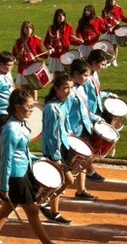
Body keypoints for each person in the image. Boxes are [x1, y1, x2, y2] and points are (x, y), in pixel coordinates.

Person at [0, 89, 55, 244]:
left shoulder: (22, 124)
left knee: (8, 208)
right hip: (16, 176)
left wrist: (40, 159)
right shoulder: (10, 129)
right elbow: (6, 159)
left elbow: (24, 151)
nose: (32, 110)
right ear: (17, 107)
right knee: (33, 211)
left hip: (23, 172)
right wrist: (4, 186)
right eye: (29, 107)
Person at [39, 74, 74, 224]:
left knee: (59, 182)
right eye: (65, 88)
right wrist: (56, 156)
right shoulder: (52, 108)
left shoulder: (61, 104)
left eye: (70, 88)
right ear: (56, 89)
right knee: (67, 181)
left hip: (61, 148)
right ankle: (41, 200)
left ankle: (53, 211)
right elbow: (51, 135)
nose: (68, 91)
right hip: (54, 151)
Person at [66, 59, 102, 201]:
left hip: (83, 129)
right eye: (85, 75)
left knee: (81, 161)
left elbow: (84, 109)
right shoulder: (69, 91)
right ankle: (51, 192)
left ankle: (81, 190)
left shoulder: (80, 88)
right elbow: (65, 114)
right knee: (68, 165)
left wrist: (95, 119)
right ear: (76, 74)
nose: (87, 78)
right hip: (73, 132)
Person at [84, 49, 116, 181]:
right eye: (101, 64)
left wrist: (107, 94)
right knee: (88, 145)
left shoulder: (94, 74)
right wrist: (96, 117)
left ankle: (87, 170)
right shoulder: (85, 79)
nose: (103, 67)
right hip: (88, 115)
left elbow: (96, 93)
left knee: (91, 145)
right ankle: (89, 171)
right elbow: (83, 101)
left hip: (96, 111)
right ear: (93, 63)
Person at [11, 20, 51, 102]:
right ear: (23, 29)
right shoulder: (18, 42)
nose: (28, 30)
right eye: (26, 28)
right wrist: (19, 54)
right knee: (24, 90)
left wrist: (48, 52)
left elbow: (41, 53)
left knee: (33, 89)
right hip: (23, 69)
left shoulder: (36, 40)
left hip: (33, 68)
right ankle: (26, 104)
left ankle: (35, 105)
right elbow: (14, 56)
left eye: (30, 28)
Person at [44, 9, 81, 79]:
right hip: (55, 55)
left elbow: (71, 40)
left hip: (65, 55)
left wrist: (78, 42)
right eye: (59, 16)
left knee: (65, 75)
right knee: (56, 75)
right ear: (56, 17)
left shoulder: (69, 27)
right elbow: (46, 41)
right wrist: (50, 47)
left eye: (63, 15)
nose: (61, 17)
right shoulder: (51, 28)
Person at [100, 0, 127, 67]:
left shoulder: (119, 8)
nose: (113, 2)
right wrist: (108, 25)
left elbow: (123, 18)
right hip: (108, 31)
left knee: (114, 45)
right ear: (108, 1)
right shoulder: (104, 10)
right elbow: (103, 21)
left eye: (114, 0)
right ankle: (108, 60)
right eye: (111, 0)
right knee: (108, 46)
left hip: (116, 30)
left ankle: (114, 60)